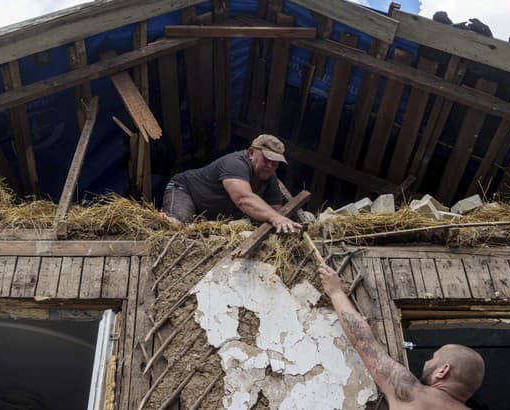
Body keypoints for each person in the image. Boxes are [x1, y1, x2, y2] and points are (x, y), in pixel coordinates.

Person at [319, 264, 485, 409]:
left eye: (433, 358)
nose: (427, 362)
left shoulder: (411, 393)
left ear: (443, 370)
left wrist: (336, 292)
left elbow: (363, 340)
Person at [162, 134, 301, 233]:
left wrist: (281, 221)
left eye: (275, 163)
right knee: (178, 226)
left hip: (209, 211)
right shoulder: (235, 163)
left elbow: (274, 210)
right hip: (183, 189)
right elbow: (243, 199)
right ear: (251, 153)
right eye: (266, 159)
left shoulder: (269, 176)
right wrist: (276, 218)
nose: (270, 166)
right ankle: (159, 217)